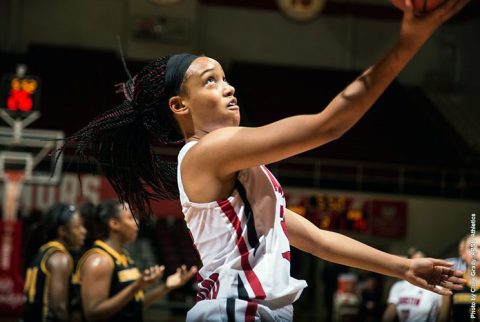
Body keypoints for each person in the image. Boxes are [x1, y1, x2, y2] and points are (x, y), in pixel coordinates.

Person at [65, 0, 469, 320]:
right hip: (236, 310)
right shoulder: (207, 151)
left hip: (252, 310)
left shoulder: (241, 177)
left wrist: (403, 268)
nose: (229, 87)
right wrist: (410, 42)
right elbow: (328, 126)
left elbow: (318, 240)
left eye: (225, 77)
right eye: (211, 80)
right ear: (179, 105)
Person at [75, 199, 197, 322]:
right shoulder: (99, 260)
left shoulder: (124, 256)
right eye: (130, 218)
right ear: (114, 224)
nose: (136, 223)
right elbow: (93, 314)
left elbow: (135, 306)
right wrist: (136, 286)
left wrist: (166, 286)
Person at [22, 203, 86, 322]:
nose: (84, 231)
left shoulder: (44, 250)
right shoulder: (61, 258)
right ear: (62, 231)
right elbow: (59, 309)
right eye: (78, 227)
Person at [381, 248, 442, 322]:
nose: (418, 266)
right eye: (414, 261)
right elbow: (390, 312)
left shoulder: (436, 287)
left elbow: (443, 315)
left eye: (421, 262)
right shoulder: (398, 286)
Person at [438, 233, 480, 322]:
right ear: (462, 254)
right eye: (471, 248)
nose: (475, 252)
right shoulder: (452, 281)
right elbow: (443, 318)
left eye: (479, 247)